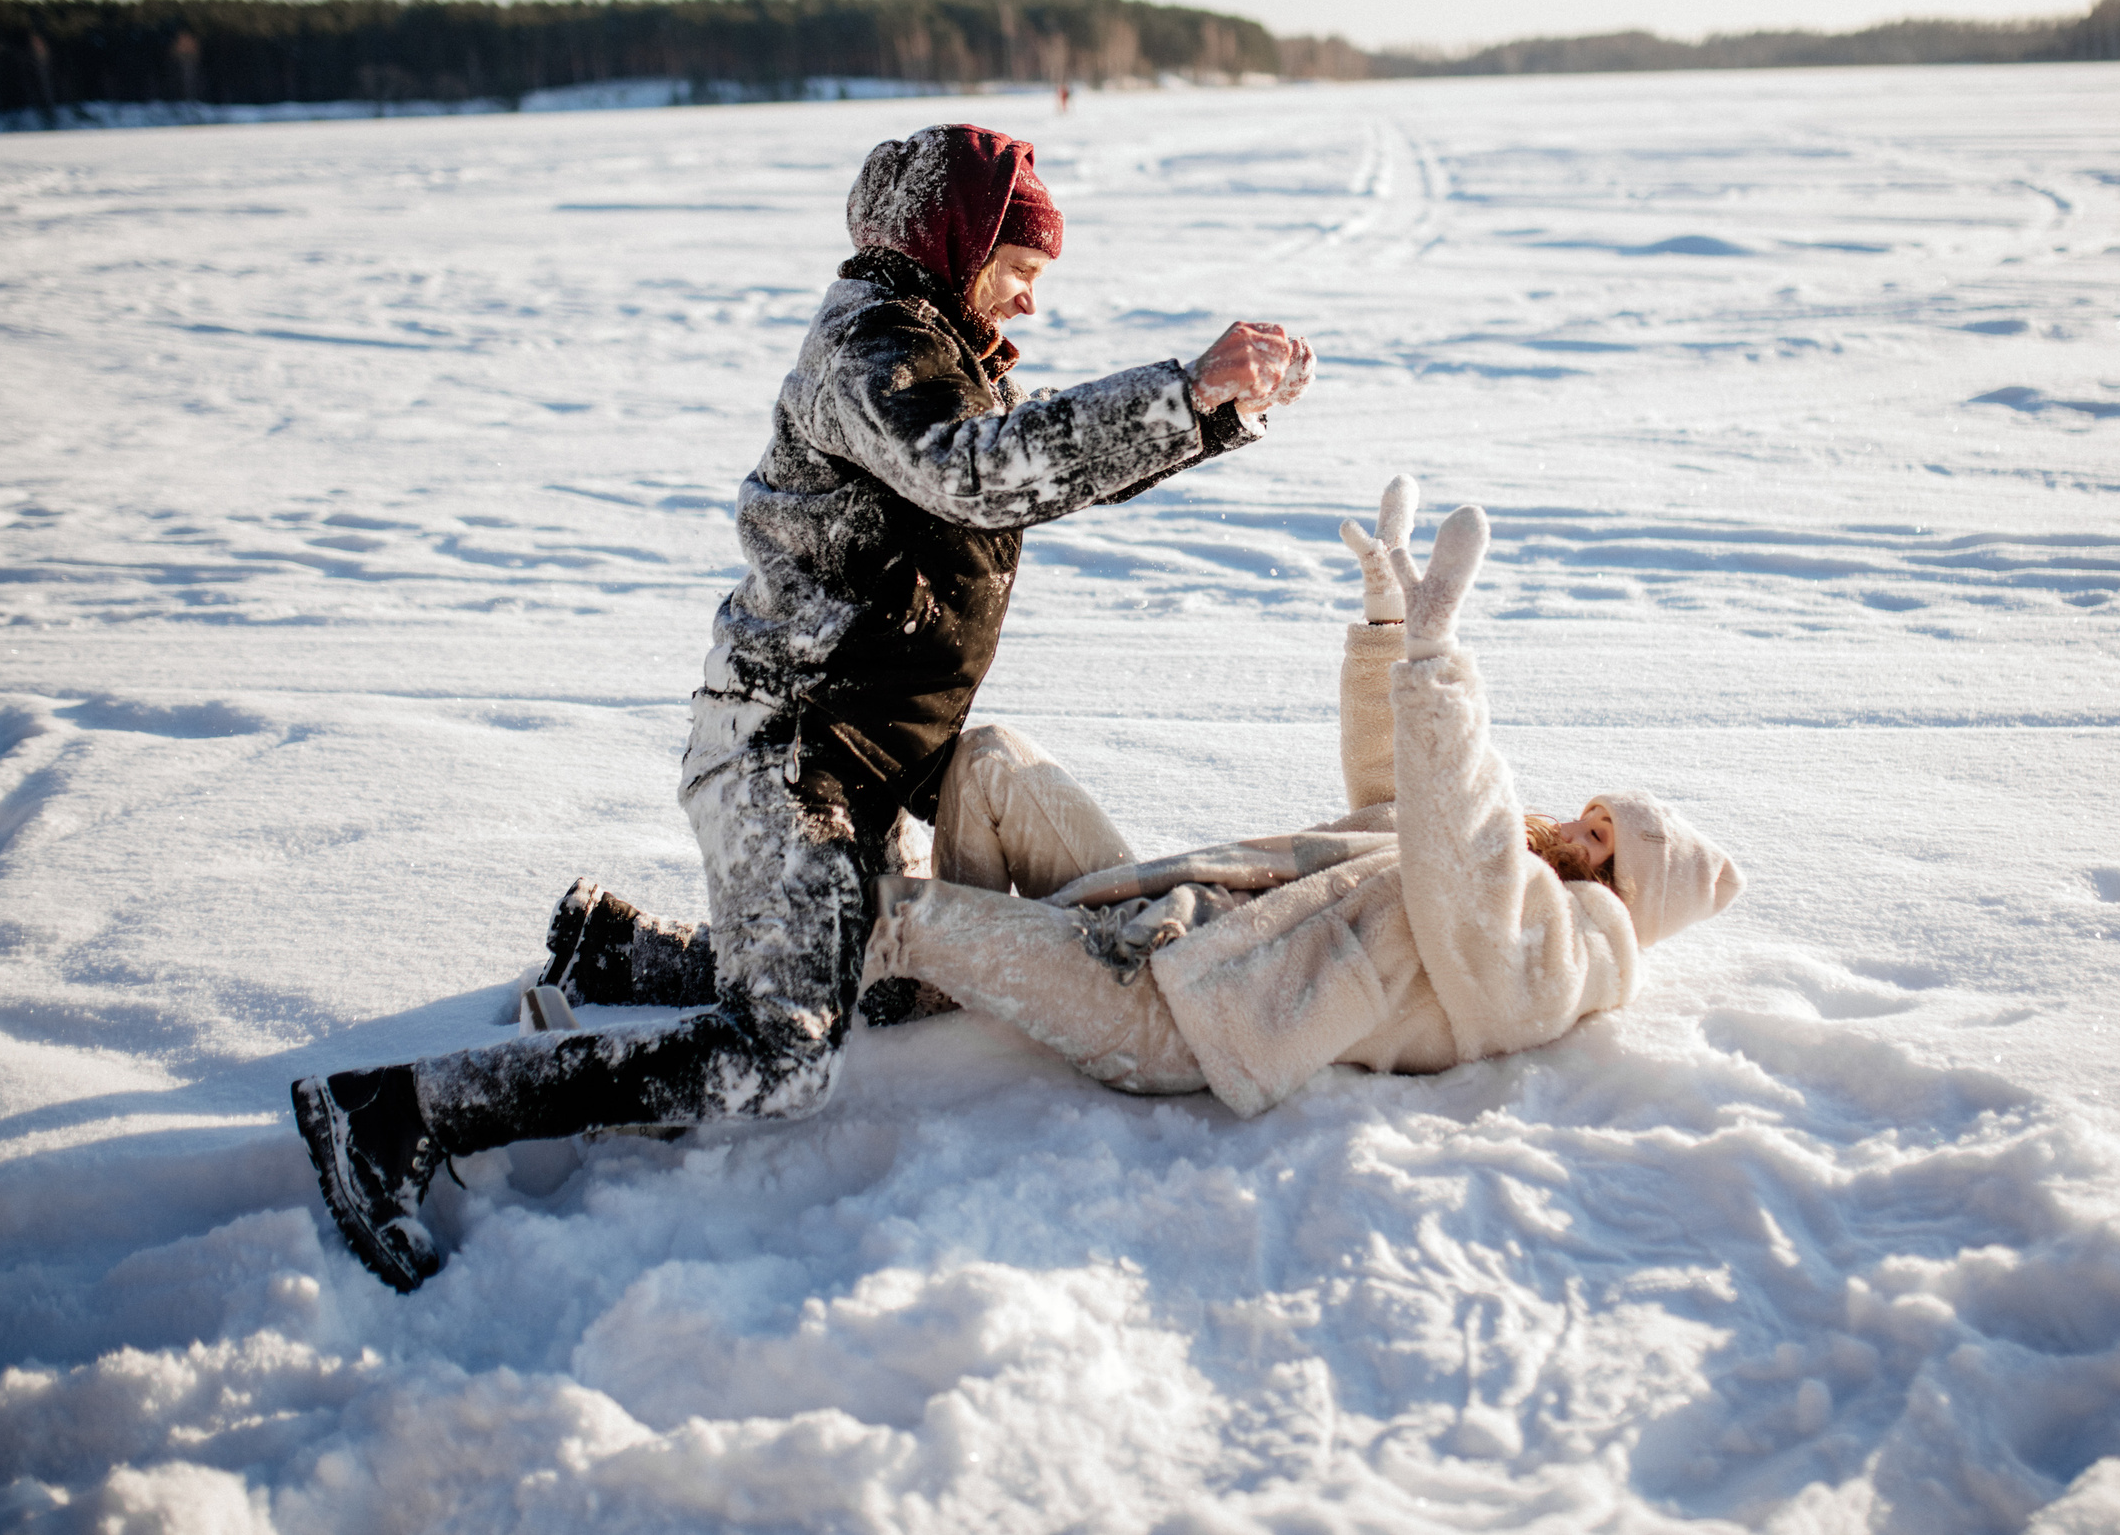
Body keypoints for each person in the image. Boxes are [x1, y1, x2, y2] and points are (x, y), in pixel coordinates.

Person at [292, 123, 1313, 1293]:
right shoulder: (873, 353)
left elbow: (1016, 457)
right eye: (1021, 272)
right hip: (789, 754)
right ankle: (397, 1108)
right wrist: (1181, 394)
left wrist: (1215, 414)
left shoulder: (940, 352)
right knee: (788, 1055)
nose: (1030, 305)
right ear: (958, 242)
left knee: (892, 984)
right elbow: (977, 471)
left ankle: (620, 950)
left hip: (853, 763)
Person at [502, 478, 1738, 1120]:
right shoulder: (1499, 859)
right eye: (1592, 813)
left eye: (1603, 843)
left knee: (899, 915)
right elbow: (1390, 791)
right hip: (1166, 914)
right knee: (992, 765)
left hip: (1178, 1017)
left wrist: (1436, 668)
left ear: (1626, 894)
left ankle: (657, 1017)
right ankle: (898, 981)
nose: (1576, 834)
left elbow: (1464, 873)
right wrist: (1380, 632)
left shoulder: (1557, 955)